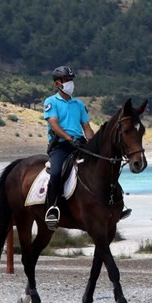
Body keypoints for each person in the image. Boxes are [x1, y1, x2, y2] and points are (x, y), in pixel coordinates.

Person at [42, 65, 95, 228]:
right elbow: (54, 125)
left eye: (71, 80)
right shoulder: (51, 102)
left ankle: (114, 201)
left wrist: (93, 145)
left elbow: (86, 127)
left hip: (80, 144)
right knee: (57, 173)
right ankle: (52, 208)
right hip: (61, 145)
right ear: (58, 84)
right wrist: (69, 138)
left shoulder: (79, 104)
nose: (70, 83)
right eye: (66, 80)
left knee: (103, 167)